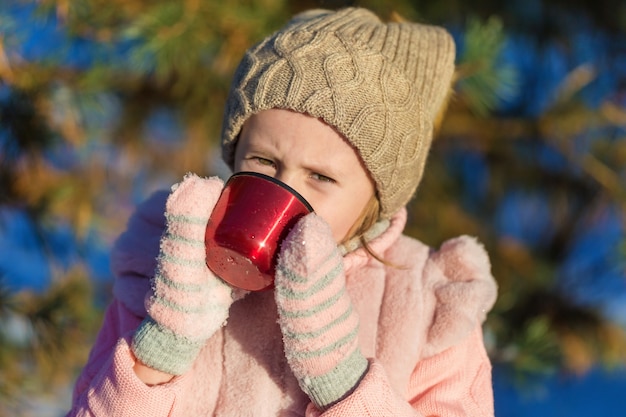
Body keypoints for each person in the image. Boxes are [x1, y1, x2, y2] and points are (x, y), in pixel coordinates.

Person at [67, 7, 498, 416]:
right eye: (264, 162)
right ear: (235, 154)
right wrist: (162, 345)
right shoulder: (165, 263)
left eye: (321, 177)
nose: (284, 189)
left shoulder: (427, 303)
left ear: (377, 195)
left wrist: (341, 381)